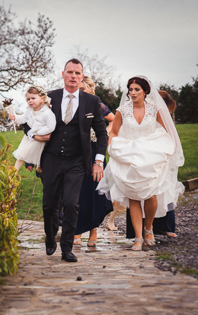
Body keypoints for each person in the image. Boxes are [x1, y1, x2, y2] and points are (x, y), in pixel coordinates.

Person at [97, 76, 185, 250]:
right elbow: (114, 132)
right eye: (130, 89)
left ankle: (149, 228)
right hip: (129, 156)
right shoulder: (122, 110)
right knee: (133, 197)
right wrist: (112, 148)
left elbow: (167, 131)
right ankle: (138, 238)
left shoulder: (155, 110)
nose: (133, 92)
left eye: (137, 89)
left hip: (151, 158)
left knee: (151, 196)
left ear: (145, 91)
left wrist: (166, 148)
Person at [38, 59, 108, 262]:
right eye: (70, 72)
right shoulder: (50, 97)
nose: (73, 76)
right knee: (50, 205)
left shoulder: (91, 102)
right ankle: (50, 238)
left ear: (82, 76)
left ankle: (67, 248)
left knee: (71, 203)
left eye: (77, 73)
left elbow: (102, 134)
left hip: (77, 161)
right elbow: (31, 119)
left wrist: (98, 161)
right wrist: (34, 135)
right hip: (51, 158)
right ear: (63, 74)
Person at [125, 90, 179, 239]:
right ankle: (137, 232)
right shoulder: (135, 110)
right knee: (137, 191)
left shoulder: (160, 113)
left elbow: (168, 134)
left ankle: (161, 227)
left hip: (158, 153)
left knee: (160, 190)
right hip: (138, 153)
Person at [73, 76, 114, 247]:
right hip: (76, 151)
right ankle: (76, 230)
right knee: (78, 191)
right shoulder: (73, 103)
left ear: (90, 90)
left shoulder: (97, 104)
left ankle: (93, 230)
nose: (80, 92)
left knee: (94, 191)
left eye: (82, 89)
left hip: (95, 150)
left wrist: (104, 133)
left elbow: (114, 119)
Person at [9, 86, 56, 171]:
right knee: (22, 153)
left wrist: (38, 133)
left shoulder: (47, 113)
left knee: (34, 154)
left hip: (40, 137)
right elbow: (23, 119)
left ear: (41, 99)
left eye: (33, 98)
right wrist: (15, 118)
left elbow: (50, 127)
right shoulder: (29, 110)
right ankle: (14, 171)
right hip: (29, 138)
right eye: (28, 99)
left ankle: (39, 167)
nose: (30, 101)